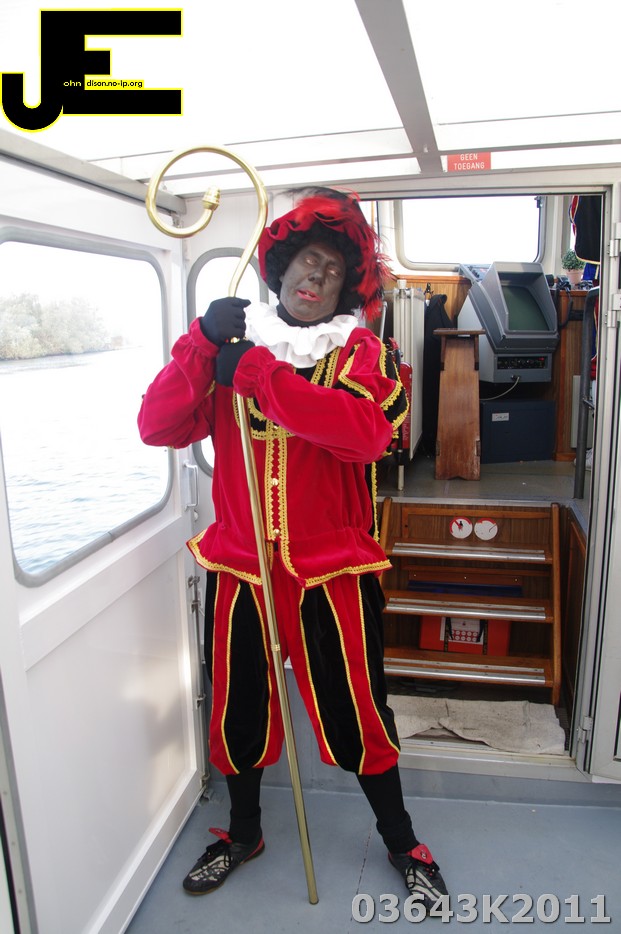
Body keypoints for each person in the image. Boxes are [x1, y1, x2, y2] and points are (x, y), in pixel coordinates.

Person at [138, 187, 448, 910]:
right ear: (278, 269)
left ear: (346, 287)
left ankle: (402, 840)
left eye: (333, 270)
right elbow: (158, 426)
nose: (317, 276)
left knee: (358, 707)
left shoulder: (360, 352)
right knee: (236, 706)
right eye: (307, 261)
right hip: (241, 564)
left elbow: (365, 435)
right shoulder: (227, 346)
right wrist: (200, 345)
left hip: (331, 571)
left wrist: (259, 377)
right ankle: (243, 832)